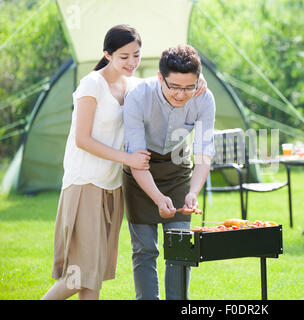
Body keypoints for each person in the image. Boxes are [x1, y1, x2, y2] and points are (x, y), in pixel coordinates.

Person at [41, 25, 208, 300]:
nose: (131, 62)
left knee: (93, 274)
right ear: (107, 54)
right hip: (85, 182)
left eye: (136, 55)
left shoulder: (132, 85)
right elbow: (82, 139)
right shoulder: (92, 84)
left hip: (112, 186)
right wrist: (127, 158)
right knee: (80, 274)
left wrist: (198, 84)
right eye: (124, 56)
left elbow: (166, 85)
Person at [122, 44, 215, 300]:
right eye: (174, 87)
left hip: (177, 169)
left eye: (189, 87)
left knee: (179, 248)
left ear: (198, 81)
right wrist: (156, 198)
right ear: (161, 77)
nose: (181, 95)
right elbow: (137, 158)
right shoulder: (139, 96)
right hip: (140, 171)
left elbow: (203, 152)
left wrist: (193, 192)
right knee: (144, 250)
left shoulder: (204, 98)